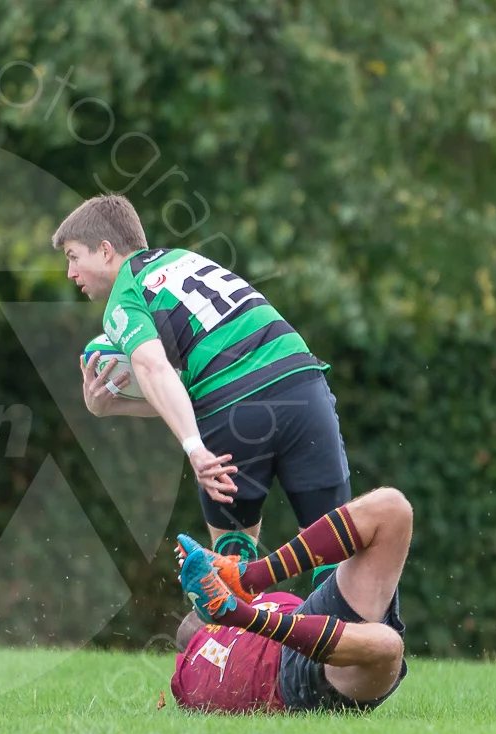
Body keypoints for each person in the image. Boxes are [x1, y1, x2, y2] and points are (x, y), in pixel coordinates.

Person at [54, 195, 351, 563]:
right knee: (337, 549)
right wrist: (112, 404)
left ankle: (243, 595)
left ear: (104, 250)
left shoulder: (124, 297)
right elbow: (185, 387)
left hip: (233, 408)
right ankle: (360, 621)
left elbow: (153, 369)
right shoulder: (185, 259)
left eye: (73, 257)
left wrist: (194, 449)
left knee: (231, 568)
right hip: (302, 384)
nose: (71, 273)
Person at [168, 487, 411, 714]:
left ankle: (250, 578)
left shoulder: (191, 674)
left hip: (307, 623)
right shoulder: (190, 671)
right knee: (388, 644)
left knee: (391, 507)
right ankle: (243, 611)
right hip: (295, 678)